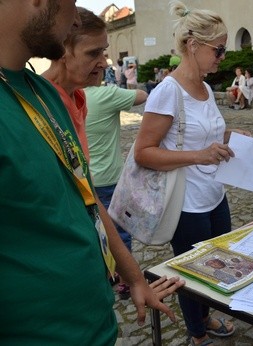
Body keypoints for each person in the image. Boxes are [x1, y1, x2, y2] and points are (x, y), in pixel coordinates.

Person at [0, 2, 182, 345]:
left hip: (94, 323)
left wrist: (135, 277)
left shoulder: (41, 95)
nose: (72, 15)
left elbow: (86, 198)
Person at [133, 2, 251, 345]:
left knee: (217, 266)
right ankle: (197, 333)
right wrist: (201, 155)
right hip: (185, 204)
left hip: (215, 196)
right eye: (219, 49)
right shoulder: (168, 91)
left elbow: (206, 135)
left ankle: (204, 317)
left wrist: (231, 137)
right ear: (193, 45)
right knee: (191, 273)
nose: (223, 57)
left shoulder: (207, 89)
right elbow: (143, 153)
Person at [85, 70, 148, 298]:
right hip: (110, 178)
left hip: (84, 179)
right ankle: (125, 280)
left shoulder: (71, 94)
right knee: (120, 230)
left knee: (93, 230)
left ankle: (104, 274)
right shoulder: (105, 95)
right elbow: (141, 96)